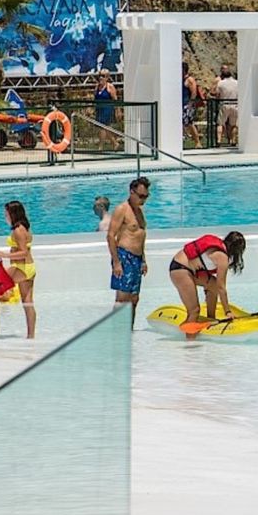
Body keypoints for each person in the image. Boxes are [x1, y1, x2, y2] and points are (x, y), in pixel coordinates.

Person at [168, 231, 246, 339]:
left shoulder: (219, 248)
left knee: (212, 284)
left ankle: (210, 319)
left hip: (183, 267)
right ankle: (190, 345)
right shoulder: (222, 257)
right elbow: (221, 288)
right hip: (180, 270)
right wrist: (227, 311)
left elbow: (216, 286)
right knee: (194, 311)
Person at [0, 201, 35, 338]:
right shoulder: (25, 228)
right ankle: (31, 336)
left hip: (20, 267)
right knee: (27, 303)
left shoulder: (18, 230)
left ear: (13, 214)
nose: (5, 216)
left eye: (6, 213)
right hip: (29, 268)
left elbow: (23, 253)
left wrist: (4, 255)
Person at [107, 177, 149, 327]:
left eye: (146, 196)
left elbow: (141, 236)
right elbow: (111, 235)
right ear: (132, 192)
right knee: (122, 298)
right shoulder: (122, 209)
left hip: (137, 259)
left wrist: (143, 260)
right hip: (124, 256)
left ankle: (128, 330)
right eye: (140, 196)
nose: (143, 200)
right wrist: (117, 262)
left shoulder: (139, 212)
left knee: (134, 298)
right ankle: (117, 330)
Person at [94, 69, 119, 150]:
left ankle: (100, 146)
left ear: (107, 77)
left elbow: (115, 99)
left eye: (103, 76)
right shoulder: (97, 87)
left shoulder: (110, 87)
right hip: (99, 109)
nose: (101, 78)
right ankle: (115, 143)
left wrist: (118, 110)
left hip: (107, 108)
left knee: (103, 127)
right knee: (104, 127)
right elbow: (95, 97)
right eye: (100, 76)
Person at [215, 65, 239, 146]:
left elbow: (217, 94)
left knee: (220, 123)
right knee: (234, 124)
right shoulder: (237, 83)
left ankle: (219, 140)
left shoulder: (220, 83)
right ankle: (233, 140)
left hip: (224, 104)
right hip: (235, 104)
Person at [182, 61, 202, 148]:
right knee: (184, 123)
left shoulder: (189, 80)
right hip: (182, 104)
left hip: (188, 104)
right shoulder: (181, 79)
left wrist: (190, 103)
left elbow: (193, 92)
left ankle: (197, 142)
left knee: (189, 123)